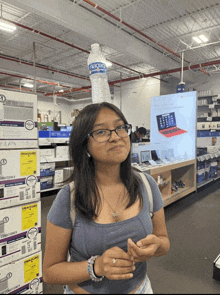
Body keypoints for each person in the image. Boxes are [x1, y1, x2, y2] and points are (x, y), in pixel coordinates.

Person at [43, 102, 170, 294]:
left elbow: (163, 241)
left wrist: (156, 246)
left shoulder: (147, 185)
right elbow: (50, 272)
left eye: (120, 127)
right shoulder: (68, 198)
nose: (116, 137)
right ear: (84, 145)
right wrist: (96, 267)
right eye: (101, 132)